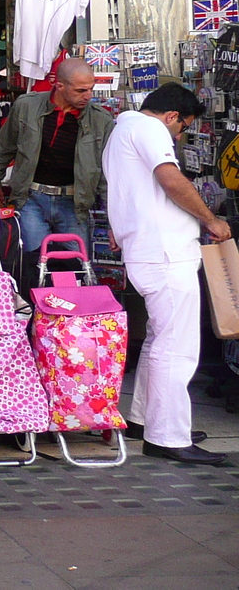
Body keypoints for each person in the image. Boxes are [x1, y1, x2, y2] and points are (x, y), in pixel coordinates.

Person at [101, 83, 232, 466]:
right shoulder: (150, 129)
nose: (179, 136)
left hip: (149, 248)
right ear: (172, 116)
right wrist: (211, 220)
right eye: (182, 128)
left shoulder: (122, 128)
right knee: (177, 346)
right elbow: (171, 180)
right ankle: (167, 435)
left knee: (162, 338)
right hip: (164, 250)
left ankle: (146, 419)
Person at [0, 56, 113, 293]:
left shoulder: (100, 120)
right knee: (35, 266)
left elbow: (105, 173)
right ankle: (36, 320)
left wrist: (115, 218)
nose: (88, 96)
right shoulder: (27, 106)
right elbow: (6, 145)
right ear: (59, 86)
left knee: (75, 269)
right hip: (32, 197)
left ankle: (69, 323)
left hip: (74, 202)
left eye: (91, 89)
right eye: (81, 90)